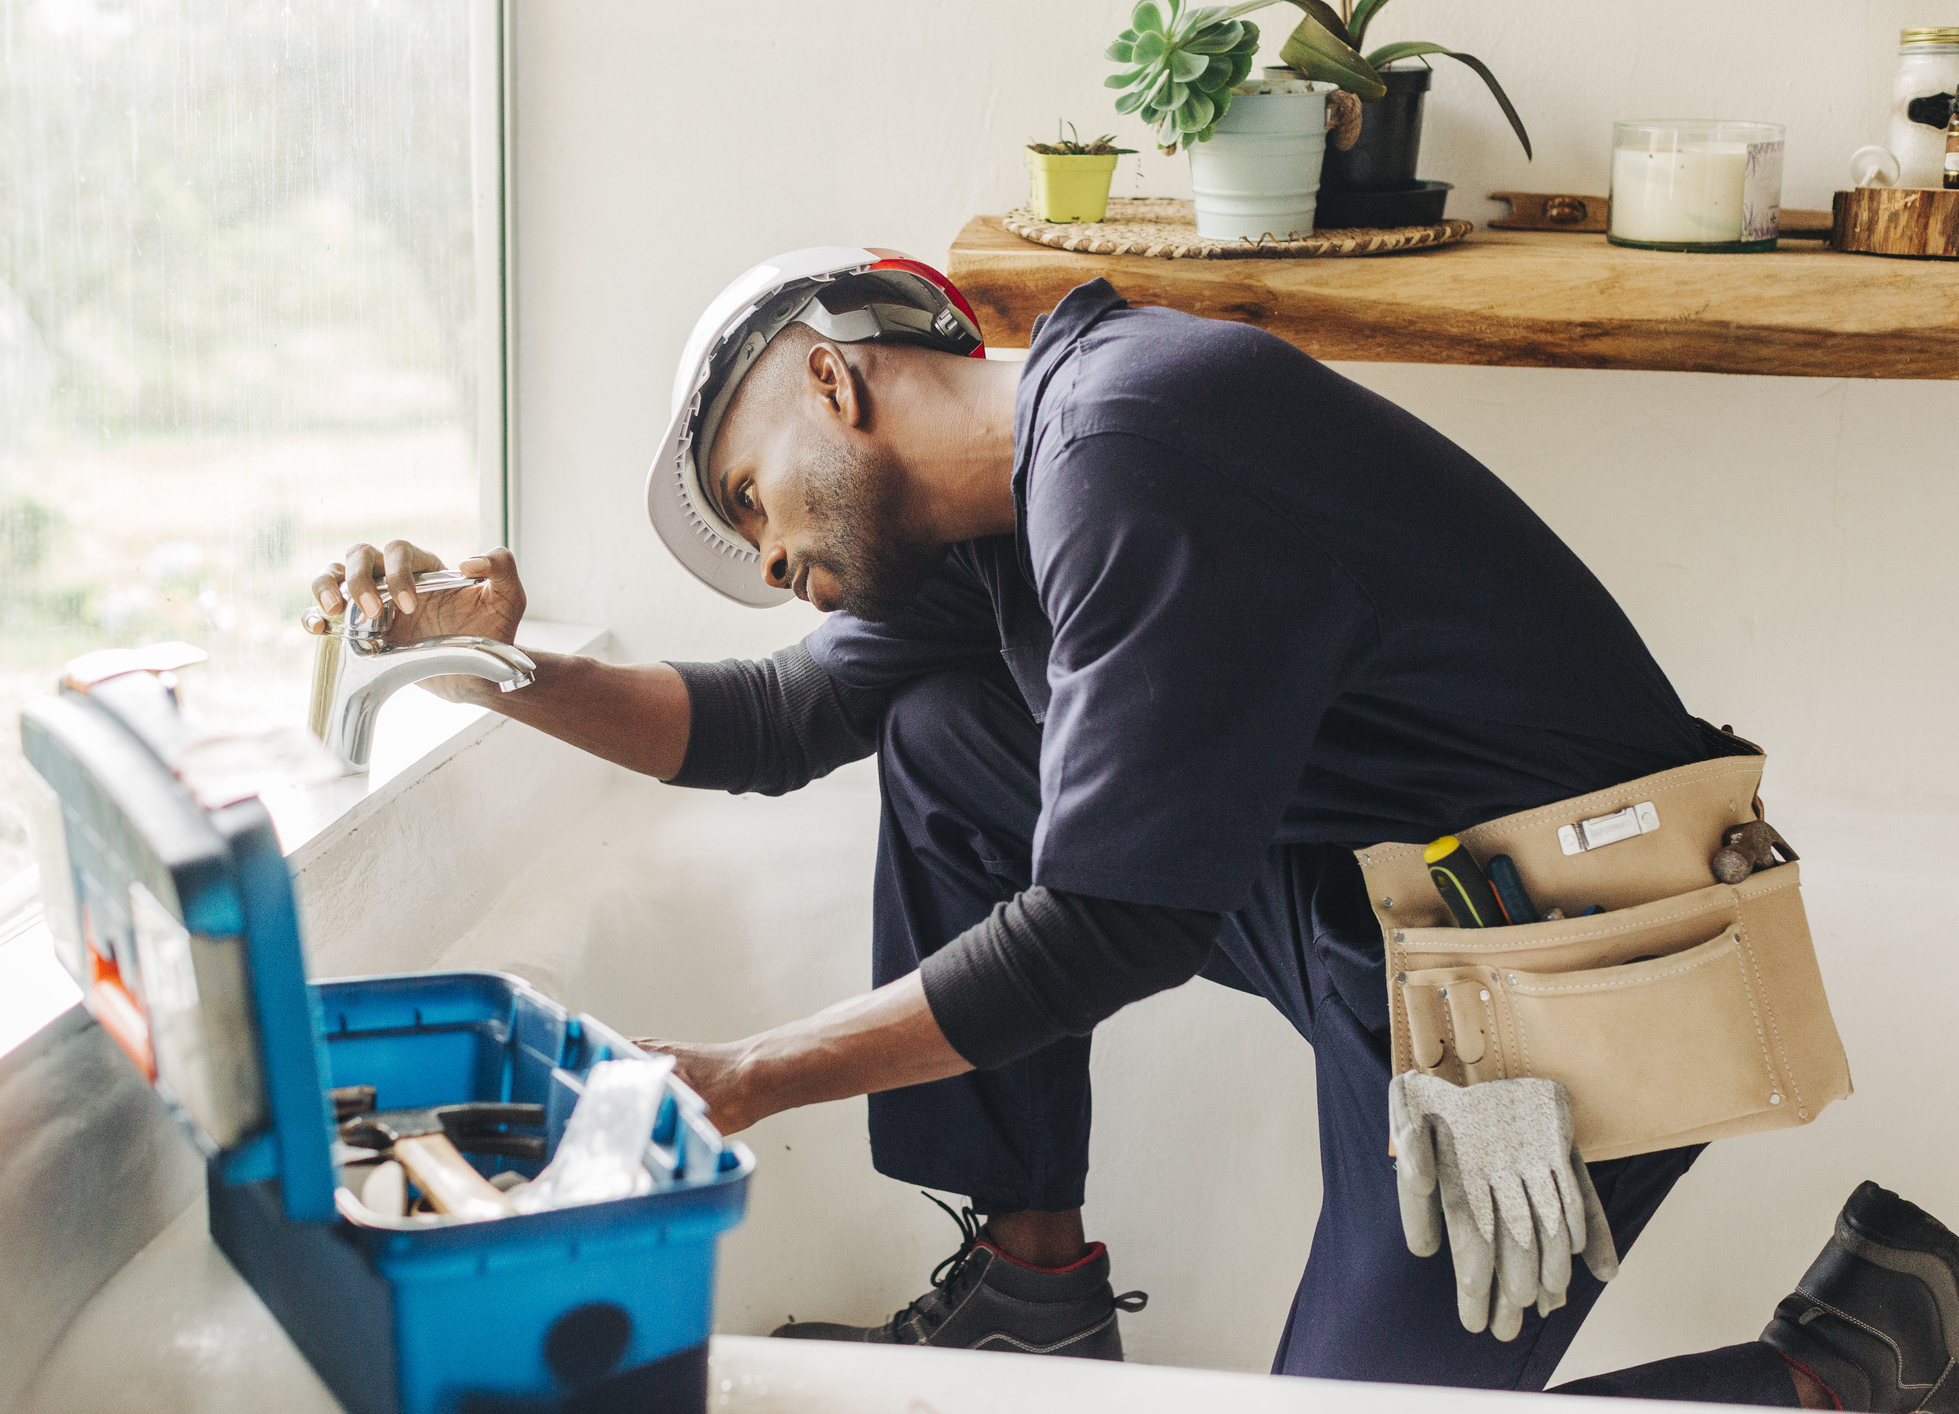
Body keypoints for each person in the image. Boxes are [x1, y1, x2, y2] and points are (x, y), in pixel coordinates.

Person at [305, 250, 1956, 1407]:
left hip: (1566, 971)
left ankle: (1850, 1356)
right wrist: (485, 663)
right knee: (949, 736)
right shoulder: (995, 528)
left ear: (833, 376)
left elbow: (1115, 921)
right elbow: (761, 727)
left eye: (752, 497)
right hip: (1383, 930)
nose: (765, 560)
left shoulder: (1141, 438)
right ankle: (1036, 1291)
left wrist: (741, 1072)